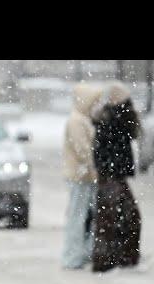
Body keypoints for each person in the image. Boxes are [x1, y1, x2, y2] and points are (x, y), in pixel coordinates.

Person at [91, 81, 142, 273]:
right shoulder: (114, 120)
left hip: (113, 175)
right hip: (112, 175)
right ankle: (111, 260)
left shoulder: (113, 119)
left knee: (117, 218)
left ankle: (115, 258)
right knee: (112, 219)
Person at [61, 82, 103, 269]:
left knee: (85, 217)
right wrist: (95, 166)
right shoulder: (77, 121)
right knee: (78, 217)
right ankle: (73, 256)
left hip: (86, 176)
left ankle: (83, 253)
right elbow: (83, 150)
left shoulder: (82, 119)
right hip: (80, 177)